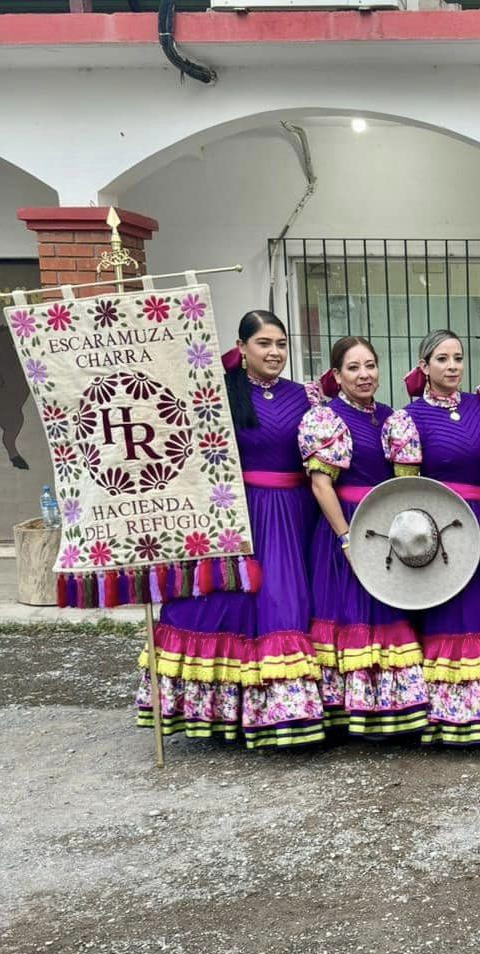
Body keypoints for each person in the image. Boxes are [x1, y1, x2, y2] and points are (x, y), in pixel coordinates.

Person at [136, 310, 325, 748]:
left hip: (294, 514)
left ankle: (287, 712)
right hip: (236, 514)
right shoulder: (218, 397)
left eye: (280, 344)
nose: (274, 352)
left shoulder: (306, 398)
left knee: (286, 604)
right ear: (242, 348)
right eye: (264, 343)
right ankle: (222, 709)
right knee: (227, 605)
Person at [383, 329, 480, 746]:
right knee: (448, 610)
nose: (452, 366)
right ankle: (447, 714)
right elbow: (405, 490)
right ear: (424, 367)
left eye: (457, 358)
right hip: (438, 527)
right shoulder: (408, 419)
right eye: (442, 359)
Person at [300, 335, 428, 738]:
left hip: (384, 525)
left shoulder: (393, 418)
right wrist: (345, 538)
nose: (364, 374)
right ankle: (346, 712)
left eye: (370, 365)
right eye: (353, 368)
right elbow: (321, 485)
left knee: (385, 612)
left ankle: (386, 709)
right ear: (336, 375)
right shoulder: (327, 418)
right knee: (348, 612)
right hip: (345, 525)